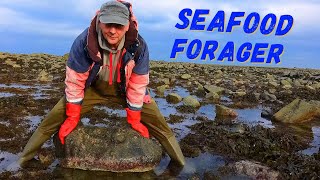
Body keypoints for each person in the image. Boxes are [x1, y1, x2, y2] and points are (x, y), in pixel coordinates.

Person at [18, 0, 185, 168]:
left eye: (118, 26)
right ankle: (23, 161)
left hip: (125, 90)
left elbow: (138, 82)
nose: (112, 31)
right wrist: (73, 115)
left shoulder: (139, 46)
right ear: (100, 21)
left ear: (127, 25)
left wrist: (134, 117)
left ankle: (181, 165)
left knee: (160, 124)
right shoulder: (84, 42)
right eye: (108, 24)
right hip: (93, 90)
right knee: (53, 118)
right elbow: (75, 81)